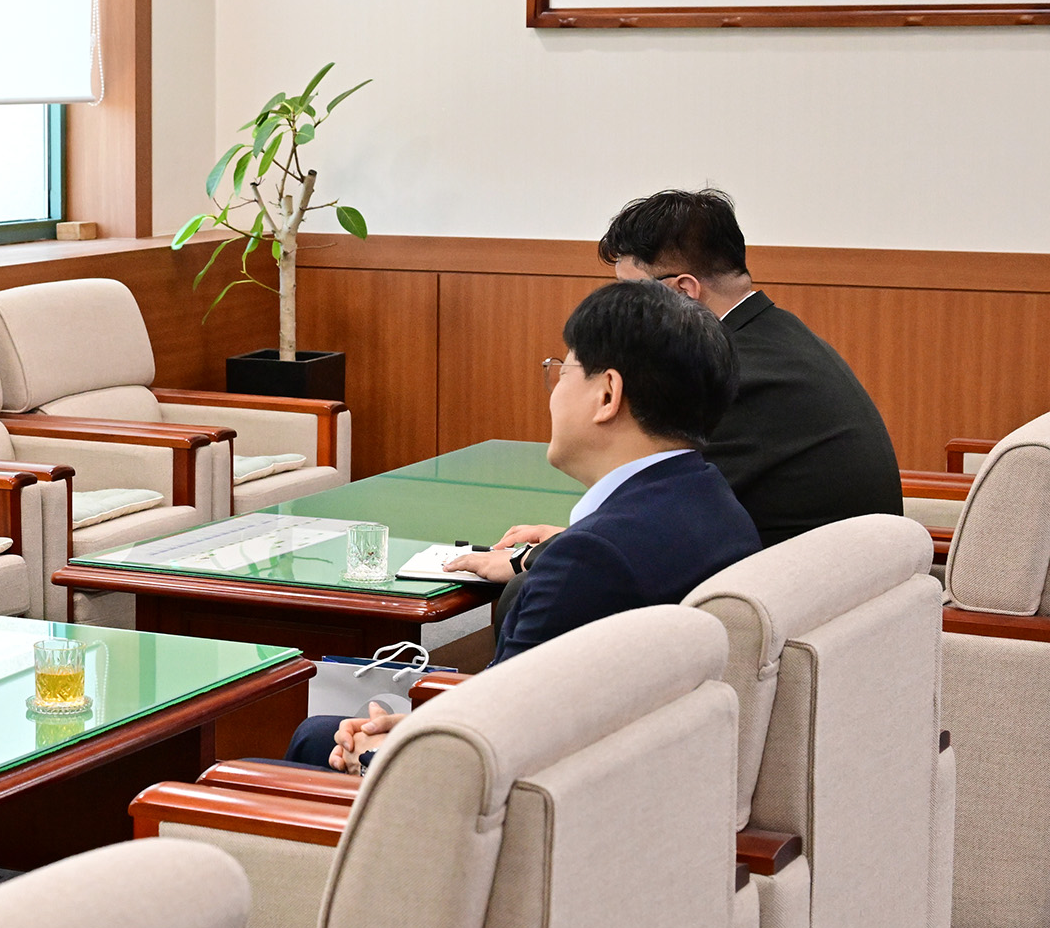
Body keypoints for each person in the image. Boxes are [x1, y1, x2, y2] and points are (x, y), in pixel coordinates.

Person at [289, 280, 760, 773]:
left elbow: (490, 751)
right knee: (322, 732)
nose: (553, 392)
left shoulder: (589, 561)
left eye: (564, 370)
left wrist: (377, 754)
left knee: (312, 739)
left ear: (607, 394)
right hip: (645, 766)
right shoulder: (713, 502)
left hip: (522, 801)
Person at [599, 188, 901, 547]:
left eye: (631, 295)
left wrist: (539, 554)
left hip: (789, 587)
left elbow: (664, 514)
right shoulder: (776, 334)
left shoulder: (734, 376)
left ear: (683, 291)